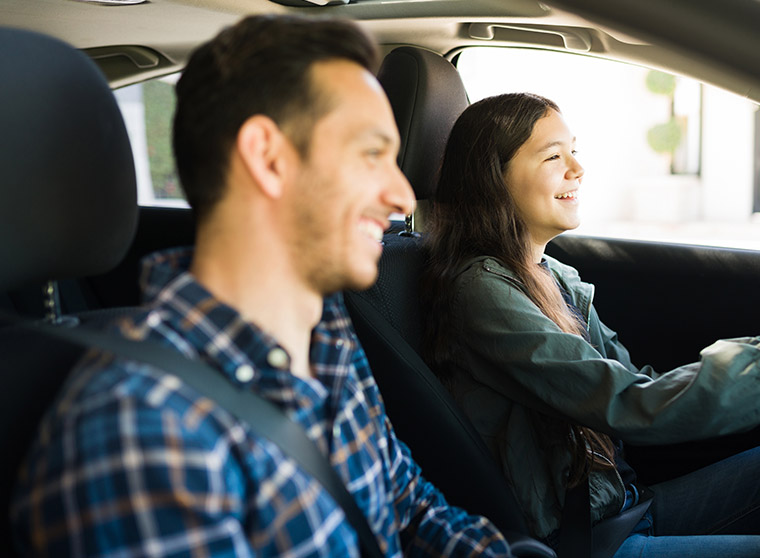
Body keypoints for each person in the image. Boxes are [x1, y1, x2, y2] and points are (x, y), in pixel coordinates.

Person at [10, 15, 511, 558]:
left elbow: (412, 511)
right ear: (269, 158)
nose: (401, 195)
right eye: (372, 153)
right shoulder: (144, 429)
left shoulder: (328, 342)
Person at [423, 92, 760, 557]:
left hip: (623, 504)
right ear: (494, 176)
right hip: (586, 539)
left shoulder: (552, 276)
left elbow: (643, 384)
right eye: (554, 157)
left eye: (574, 152)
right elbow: (633, 405)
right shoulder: (481, 292)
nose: (578, 168)